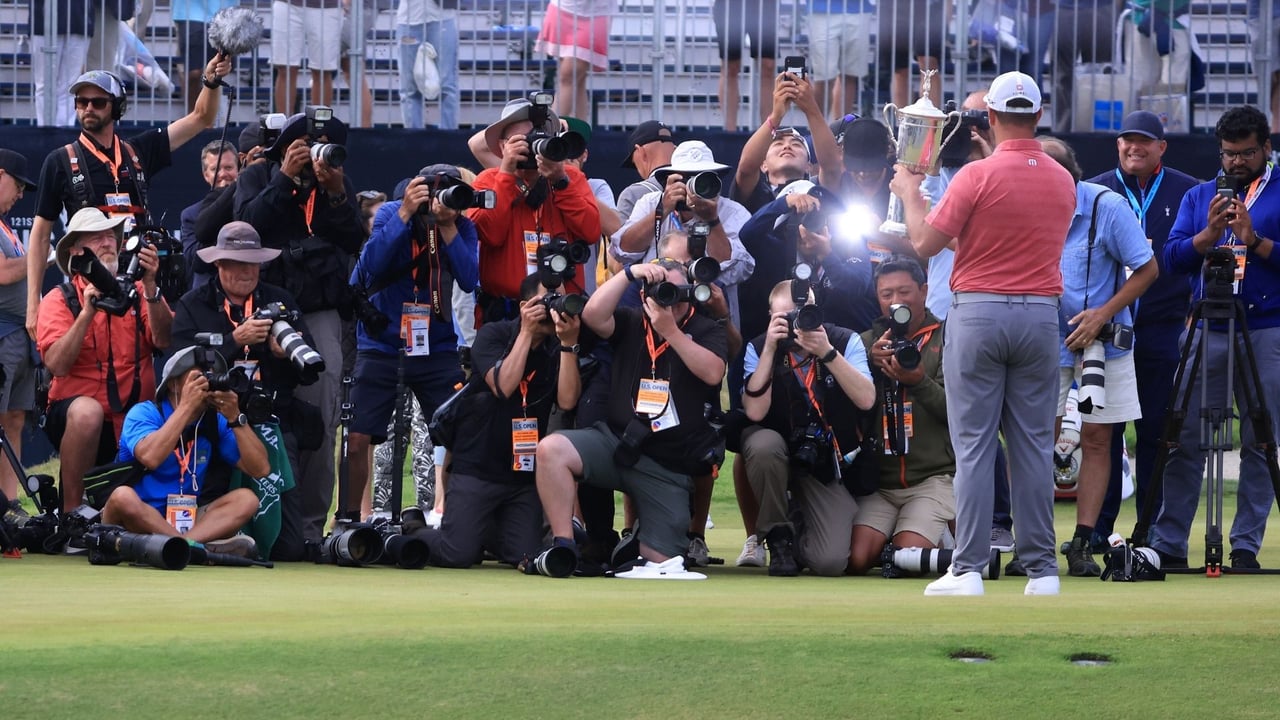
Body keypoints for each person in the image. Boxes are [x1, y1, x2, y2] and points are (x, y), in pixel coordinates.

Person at [890, 71, 1076, 596]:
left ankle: (968, 568)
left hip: (979, 312)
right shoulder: (1063, 180)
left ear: (990, 118)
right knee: (1034, 448)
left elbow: (924, 243)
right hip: (1040, 314)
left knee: (972, 447)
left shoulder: (976, 176)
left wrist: (909, 192)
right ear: (1037, 118)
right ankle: (1042, 572)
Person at [535, 257, 727, 579]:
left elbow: (713, 373)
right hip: (617, 441)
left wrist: (671, 333)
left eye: (677, 291)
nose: (671, 300)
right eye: (661, 291)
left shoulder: (704, 328)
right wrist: (629, 273)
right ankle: (564, 545)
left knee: (662, 560)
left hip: (667, 463)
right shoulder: (632, 320)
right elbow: (593, 315)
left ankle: (641, 535)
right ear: (645, 296)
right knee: (551, 450)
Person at [1153, 105, 1280, 570]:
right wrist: (1209, 234)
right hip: (1207, 324)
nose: (1237, 163)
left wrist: (1255, 240)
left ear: (1266, 147)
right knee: (1185, 437)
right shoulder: (1201, 195)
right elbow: (1171, 258)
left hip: (1266, 326)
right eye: (1229, 154)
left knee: (1261, 439)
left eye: (1247, 153)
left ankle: (1245, 545)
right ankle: (1169, 543)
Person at [24, 56, 233, 338]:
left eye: (98, 102)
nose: (88, 108)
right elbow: (40, 234)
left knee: (143, 360)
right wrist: (33, 304)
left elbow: (202, 118)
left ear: (117, 107)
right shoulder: (60, 160)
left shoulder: (138, 151)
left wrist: (210, 81)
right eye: (81, 102)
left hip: (140, 277)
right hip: (90, 283)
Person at [234, 111, 364, 546]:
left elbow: (353, 242)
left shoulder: (333, 187)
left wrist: (336, 194)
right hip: (266, 305)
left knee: (322, 418)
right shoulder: (260, 176)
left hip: (319, 311)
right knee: (255, 411)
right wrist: (285, 179)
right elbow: (247, 227)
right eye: (306, 148)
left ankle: (309, 529)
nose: (314, 157)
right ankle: (255, 523)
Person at [1037, 136, 1158, 577]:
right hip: (1042, 339)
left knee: (1097, 440)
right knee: (1037, 439)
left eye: (1051, 169)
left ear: (1072, 174)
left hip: (1103, 340)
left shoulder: (1106, 206)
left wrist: (1102, 313)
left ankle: (1082, 543)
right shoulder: (1019, 204)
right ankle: (1036, 545)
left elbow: (1148, 269)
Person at [412, 274, 582, 568]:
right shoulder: (493, 334)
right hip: (477, 468)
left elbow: (567, 401)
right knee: (458, 554)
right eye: (547, 300)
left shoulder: (558, 347)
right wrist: (527, 333)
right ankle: (411, 533)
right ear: (524, 306)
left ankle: (484, 533)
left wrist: (568, 345)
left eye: (560, 300)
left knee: (523, 555)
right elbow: (504, 385)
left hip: (521, 477)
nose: (555, 308)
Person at [169, 221, 314, 560]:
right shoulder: (193, 304)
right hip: (211, 422)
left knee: (289, 548)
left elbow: (311, 370)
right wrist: (236, 341)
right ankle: (204, 537)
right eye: (237, 262)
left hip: (271, 422)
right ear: (218, 263)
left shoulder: (280, 300)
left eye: (253, 262)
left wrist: (287, 354)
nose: (247, 270)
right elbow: (178, 367)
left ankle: (231, 542)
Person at [1085, 110, 1198, 546]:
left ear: (1161, 148)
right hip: (1108, 328)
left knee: (1155, 429)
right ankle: (1098, 528)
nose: (1135, 147)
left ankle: (1150, 526)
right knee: (1104, 432)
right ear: (1118, 145)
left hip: (1163, 326)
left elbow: (1195, 255)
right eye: (1127, 140)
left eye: (1145, 141)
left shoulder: (1186, 190)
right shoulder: (1096, 190)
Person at [345, 165, 476, 523]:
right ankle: (349, 517)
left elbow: (469, 277)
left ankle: (459, 519)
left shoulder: (461, 225)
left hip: (437, 347)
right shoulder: (391, 212)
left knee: (463, 434)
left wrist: (447, 226)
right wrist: (405, 211)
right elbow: (372, 263)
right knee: (357, 436)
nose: (443, 200)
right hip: (382, 343)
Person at [36, 208, 173, 521]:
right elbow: (56, 365)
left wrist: (151, 287)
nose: (107, 241)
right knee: (87, 412)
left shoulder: (137, 292)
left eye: (111, 235)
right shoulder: (60, 299)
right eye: (96, 237)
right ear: (76, 250)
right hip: (80, 422)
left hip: (134, 422)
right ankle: (71, 514)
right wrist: (87, 313)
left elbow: (164, 340)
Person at [739, 280, 875, 576]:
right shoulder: (758, 347)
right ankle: (778, 538)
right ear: (770, 317)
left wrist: (827, 353)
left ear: (816, 312)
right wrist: (771, 351)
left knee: (830, 561)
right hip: (776, 452)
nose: (795, 323)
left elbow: (866, 399)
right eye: (785, 316)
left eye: (802, 313)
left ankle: (798, 524)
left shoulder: (843, 340)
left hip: (822, 461)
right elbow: (755, 410)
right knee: (762, 446)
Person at [100, 346, 268, 558]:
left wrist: (235, 418)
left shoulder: (213, 421)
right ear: (173, 384)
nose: (205, 385)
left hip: (185, 521)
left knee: (247, 499)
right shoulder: (144, 413)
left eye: (210, 378)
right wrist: (186, 408)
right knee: (122, 497)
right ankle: (196, 549)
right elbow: (151, 457)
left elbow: (260, 468)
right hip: (136, 515)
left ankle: (183, 547)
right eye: (197, 379)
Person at [848, 257, 953, 574]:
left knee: (907, 558)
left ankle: (938, 535)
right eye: (886, 294)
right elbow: (846, 408)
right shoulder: (866, 342)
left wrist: (918, 381)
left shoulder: (947, 337)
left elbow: (959, 413)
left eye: (905, 291)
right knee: (856, 560)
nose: (896, 302)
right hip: (881, 483)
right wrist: (869, 365)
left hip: (932, 478)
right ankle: (906, 540)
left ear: (924, 290)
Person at [467, 97, 602, 320]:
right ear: (503, 146)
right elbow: (491, 234)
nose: (530, 147)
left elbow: (590, 232)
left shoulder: (571, 178)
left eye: (536, 139)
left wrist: (560, 181)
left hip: (561, 310)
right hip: (505, 314)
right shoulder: (487, 181)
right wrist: (507, 174)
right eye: (522, 140)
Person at [613, 141, 754, 327]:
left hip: (711, 319)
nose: (693, 186)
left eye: (702, 178)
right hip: (655, 314)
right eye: (686, 178)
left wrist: (712, 220)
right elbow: (622, 250)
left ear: (716, 180)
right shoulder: (650, 203)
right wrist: (662, 210)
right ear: (669, 180)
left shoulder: (734, 213)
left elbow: (737, 271)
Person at [728, 69, 842, 215]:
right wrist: (776, 116)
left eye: (796, 144)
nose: (787, 146)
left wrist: (811, 108)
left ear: (809, 166)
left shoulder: (818, 191)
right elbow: (746, 169)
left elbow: (832, 167)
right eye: (778, 144)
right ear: (763, 165)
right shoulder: (756, 196)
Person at [0, 150, 37, 521]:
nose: (21, 196)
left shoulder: (6, 226)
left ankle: (9, 506)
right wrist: (45, 251)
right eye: (19, 186)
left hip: (18, 338)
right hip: (0, 336)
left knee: (13, 420)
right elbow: (4, 274)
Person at [534, 0, 616, 120]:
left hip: (596, 13)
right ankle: (578, 133)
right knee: (577, 79)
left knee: (569, 76)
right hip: (562, 7)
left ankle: (554, 132)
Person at [180, 139, 239, 290]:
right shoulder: (191, 215)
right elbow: (194, 261)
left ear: (239, 169)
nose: (223, 174)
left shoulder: (251, 207)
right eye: (215, 169)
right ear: (206, 175)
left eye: (228, 167)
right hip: (208, 295)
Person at [1052, 0, 1120, 131]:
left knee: (1102, 76)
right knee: (1063, 76)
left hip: (1102, 7)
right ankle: (1062, 133)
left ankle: (1099, 129)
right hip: (1064, 8)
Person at [712, 0, 778, 130]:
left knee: (768, 65)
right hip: (730, 5)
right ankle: (730, 132)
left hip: (764, 5)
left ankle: (769, 132)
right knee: (730, 66)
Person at [395, 0, 460, 129]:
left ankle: (449, 137)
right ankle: (413, 137)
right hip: (408, 19)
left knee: (447, 85)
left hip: (443, 17)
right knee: (409, 88)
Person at [806, 1, 874, 119]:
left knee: (850, 75)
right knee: (823, 77)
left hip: (859, 9)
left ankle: (840, 130)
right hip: (821, 9)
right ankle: (816, 130)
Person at [271, 0, 343, 112]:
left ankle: (319, 126)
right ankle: (283, 126)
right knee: (285, 69)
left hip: (328, 7)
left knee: (323, 71)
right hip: (286, 4)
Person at [30, 0, 92, 127]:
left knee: (69, 85)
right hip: (43, 20)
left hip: (79, 20)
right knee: (45, 84)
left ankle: (63, 132)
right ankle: (46, 130)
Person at [877, 0, 947, 109]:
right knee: (899, 68)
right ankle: (901, 123)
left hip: (930, 6)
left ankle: (931, 121)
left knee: (929, 64)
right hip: (894, 6)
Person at [170, 0, 238, 112]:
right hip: (188, 12)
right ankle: (193, 120)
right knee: (194, 73)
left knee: (217, 72)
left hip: (226, 13)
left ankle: (206, 121)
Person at [615, 120, 676, 222]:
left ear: (640, 152)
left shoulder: (632, 194)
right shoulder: (696, 186)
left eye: (634, 164)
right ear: (674, 149)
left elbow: (622, 237)